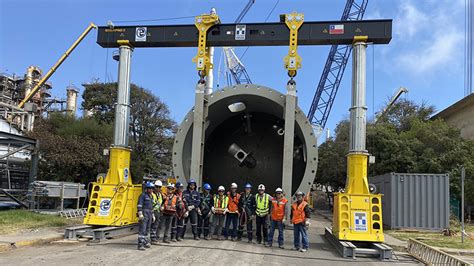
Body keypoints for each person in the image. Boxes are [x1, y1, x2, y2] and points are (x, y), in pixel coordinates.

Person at [137, 181, 155, 250]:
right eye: (149, 188)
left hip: (150, 213)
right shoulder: (142, 195)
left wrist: (153, 215)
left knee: (147, 229)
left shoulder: (151, 196)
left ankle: (146, 242)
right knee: (142, 229)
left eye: (152, 188)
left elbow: (151, 206)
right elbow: (139, 205)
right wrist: (140, 213)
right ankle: (140, 244)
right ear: (146, 189)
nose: (151, 190)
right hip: (144, 213)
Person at [150, 180, 163, 244]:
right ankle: (152, 239)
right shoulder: (152, 194)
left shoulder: (159, 194)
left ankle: (153, 238)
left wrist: (160, 207)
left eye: (159, 187)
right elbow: (152, 203)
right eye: (156, 187)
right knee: (152, 225)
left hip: (157, 212)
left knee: (156, 225)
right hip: (152, 211)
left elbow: (160, 202)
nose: (158, 188)